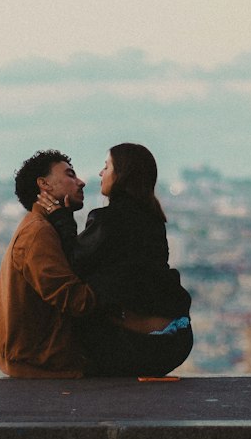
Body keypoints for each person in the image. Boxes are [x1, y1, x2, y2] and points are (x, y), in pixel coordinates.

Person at [40, 142, 193, 377]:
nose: (101, 173)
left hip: (137, 346)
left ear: (122, 174)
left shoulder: (109, 220)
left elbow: (72, 264)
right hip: (177, 340)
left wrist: (63, 219)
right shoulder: (153, 219)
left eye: (107, 167)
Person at [0, 149, 102, 378]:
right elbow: (75, 300)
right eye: (70, 175)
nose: (81, 182)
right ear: (45, 185)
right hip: (44, 363)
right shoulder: (38, 233)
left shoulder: (39, 226)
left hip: (36, 359)